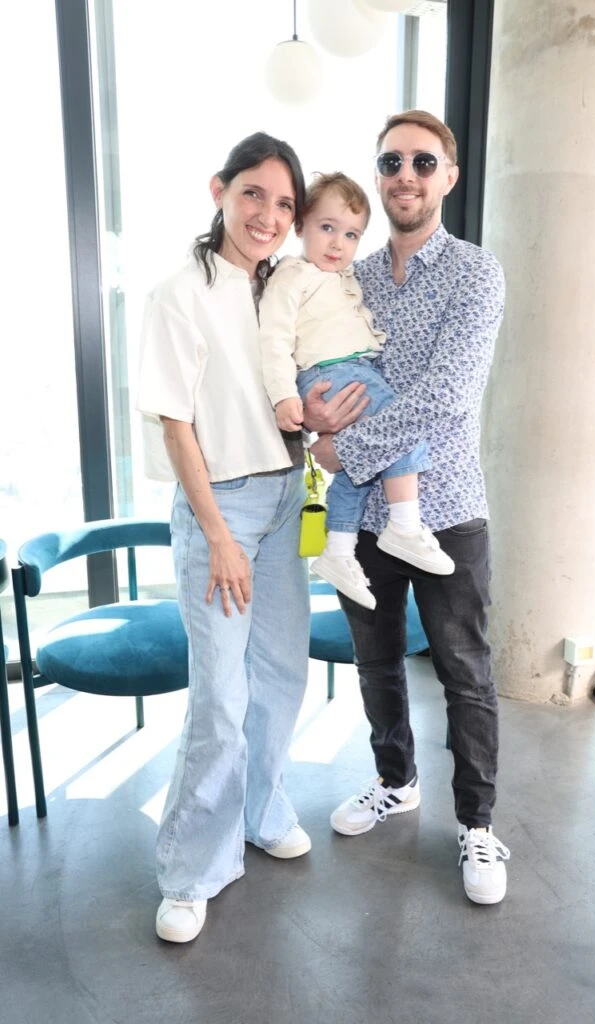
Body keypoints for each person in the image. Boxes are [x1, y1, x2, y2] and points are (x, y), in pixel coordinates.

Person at [303, 110, 510, 905]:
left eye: (423, 162)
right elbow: (324, 376)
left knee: (464, 672)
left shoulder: (475, 273)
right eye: (391, 161)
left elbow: (448, 396)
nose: (405, 175)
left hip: (448, 506)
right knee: (377, 659)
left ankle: (479, 825)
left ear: (448, 177)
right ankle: (396, 779)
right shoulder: (342, 275)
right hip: (357, 516)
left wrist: (342, 445)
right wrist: (318, 423)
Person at [137, 132, 311, 944]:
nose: (267, 215)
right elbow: (176, 426)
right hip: (224, 511)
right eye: (253, 194)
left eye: (283, 203)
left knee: (279, 677)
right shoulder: (181, 293)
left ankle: (259, 810)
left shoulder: (284, 289)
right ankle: (189, 869)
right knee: (223, 699)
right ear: (219, 191)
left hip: (282, 501)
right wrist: (219, 536)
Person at [258, 171, 454, 612]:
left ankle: (338, 550)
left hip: (352, 371)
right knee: (399, 426)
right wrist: (283, 397)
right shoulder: (293, 276)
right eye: (327, 228)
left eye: (351, 234)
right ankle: (404, 524)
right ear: (301, 225)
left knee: (355, 468)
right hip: (332, 373)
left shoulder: (342, 276)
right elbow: (271, 339)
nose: (337, 243)